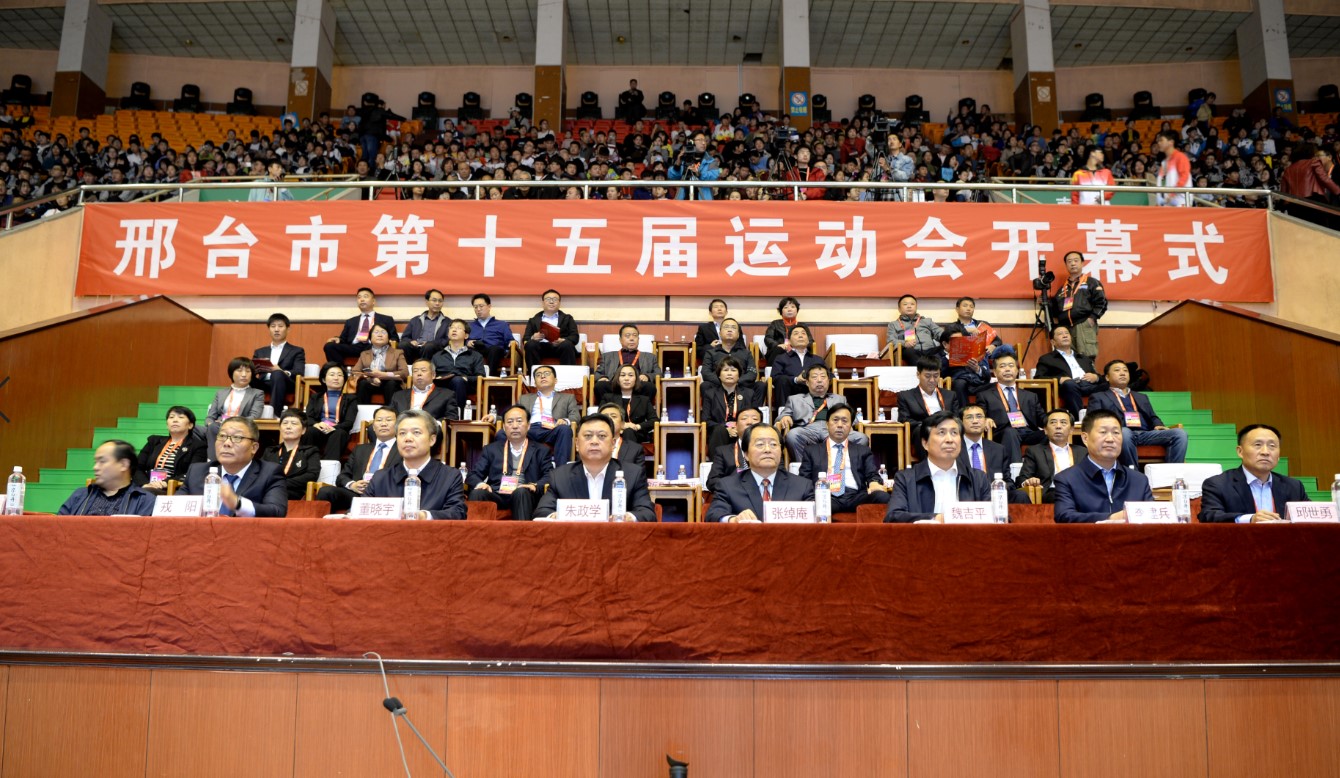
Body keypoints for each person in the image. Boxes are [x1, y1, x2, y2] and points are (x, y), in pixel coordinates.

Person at [535, 414, 657, 522]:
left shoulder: (632, 474)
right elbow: (542, 512)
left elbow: (647, 513)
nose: (594, 441)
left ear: (613, 444)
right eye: (588, 436)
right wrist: (556, 516)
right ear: (577, 444)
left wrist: (628, 517)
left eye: (602, 436)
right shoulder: (560, 476)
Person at [885, 410, 991, 523]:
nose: (949, 440)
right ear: (925, 443)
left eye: (954, 433)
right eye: (941, 433)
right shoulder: (906, 479)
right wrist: (936, 518)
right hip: (923, 534)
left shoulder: (978, 478)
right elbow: (893, 517)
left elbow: (996, 517)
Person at [1053, 409, 1153, 523]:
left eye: (1116, 433)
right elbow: (1065, 516)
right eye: (1103, 432)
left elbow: (1152, 518)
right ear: (1085, 438)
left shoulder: (1139, 480)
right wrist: (1111, 518)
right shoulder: (1067, 479)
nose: (1110, 439)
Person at [364, 409, 467, 520]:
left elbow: (457, 513)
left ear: (432, 440)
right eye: (402, 433)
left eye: (416, 432)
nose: (408, 438)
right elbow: (360, 511)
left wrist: (424, 516)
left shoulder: (450, 476)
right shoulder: (380, 477)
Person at [1200, 424, 1311, 523]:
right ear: (1240, 451)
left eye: (1272, 446)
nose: (1265, 452)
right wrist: (1249, 519)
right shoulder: (1218, 484)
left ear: (1279, 455)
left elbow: (1311, 517)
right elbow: (1209, 516)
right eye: (1258, 445)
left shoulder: (1294, 486)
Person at [1086, 360, 1187, 467]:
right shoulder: (1099, 397)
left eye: (1125, 371)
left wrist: (1158, 425)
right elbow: (1093, 421)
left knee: (1179, 434)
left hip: (1145, 434)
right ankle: (1132, 473)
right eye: (1117, 370)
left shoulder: (1141, 396)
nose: (1122, 373)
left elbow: (1153, 417)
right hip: (1119, 433)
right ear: (1107, 377)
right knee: (1124, 432)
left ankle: (1172, 473)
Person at [705, 424, 814, 523]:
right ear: (746, 454)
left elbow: (816, 519)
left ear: (781, 452)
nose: (767, 450)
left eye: (773, 444)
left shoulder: (802, 486)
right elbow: (713, 515)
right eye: (760, 444)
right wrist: (733, 519)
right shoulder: (728, 486)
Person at [183, 417, 289, 517]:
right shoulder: (196, 472)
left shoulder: (269, 473)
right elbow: (177, 507)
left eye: (237, 437)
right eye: (222, 436)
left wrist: (237, 503)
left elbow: (276, 511)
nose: (227, 443)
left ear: (254, 448)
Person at [797, 403, 891, 514]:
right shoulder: (812, 451)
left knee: (882, 497)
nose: (840, 425)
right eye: (835, 420)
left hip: (856, 496)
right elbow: (804, 479)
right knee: (816, 503)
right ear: (827, 424)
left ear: (850, 426)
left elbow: (872, 474)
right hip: (826, 495)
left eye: (845, 421)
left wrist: (874, 483)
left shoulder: (862, 450)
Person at [467, 404, 554, 521]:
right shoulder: (491, 449)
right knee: (478, 493)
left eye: (519, 421)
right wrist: (480, 484)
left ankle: (523, 533)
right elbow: (473, 475)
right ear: (504, 427)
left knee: (521, 493)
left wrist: (534, 486)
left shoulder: (541, 450)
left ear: (528, 425)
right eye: (510, 422)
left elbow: (549, 475)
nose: (515, 426)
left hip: (525, 493)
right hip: (497, 493)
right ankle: (477, 533)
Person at [315, 406, 401, 513]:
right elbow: (342, 477)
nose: (383, 424)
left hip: (387, 494)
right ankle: (321, 523)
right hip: (358, 494)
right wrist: (353, 485)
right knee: (326, 492)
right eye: (379, 420)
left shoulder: (403, 449)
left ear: (398, 425)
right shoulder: (360, 449)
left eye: (388, 420)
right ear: (373, 427)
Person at [776, 365, 869, 461]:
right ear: (807, 382)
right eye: (814, 377)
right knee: (793, 435)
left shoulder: (839, 399)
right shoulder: (795, 399)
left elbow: (853, 420)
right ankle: (803, 465)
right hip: (807, 430)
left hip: (833, 429)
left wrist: (848, 425)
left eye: (823, 377)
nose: (819, 380)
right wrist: (785, 416)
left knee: (861, 438)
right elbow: (779, 417)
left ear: (828, 381)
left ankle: (843, 465)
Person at [494, 364, 580, 464]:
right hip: (528, 429)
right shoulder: (525, 398)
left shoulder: (567, 398)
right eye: (538, 375)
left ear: (555, 380)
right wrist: (495, 418)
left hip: (553, 429)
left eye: (546, 374)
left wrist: (565, 420)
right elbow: (512, 414)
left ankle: (561, 470)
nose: (542, 376)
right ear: (535, 383)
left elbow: (575, 416)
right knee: (502, 433)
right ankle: (509, 467)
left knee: (565, 429)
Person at [58, 440, 156, 516]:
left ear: (123, 464)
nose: (95, 467)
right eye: (95, 462)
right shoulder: (80, 495)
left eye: (102, 461)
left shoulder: (145, 501)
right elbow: (58, 528)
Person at [977, 353, 1045, 461]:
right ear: (995, 372)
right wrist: (985, 418)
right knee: (1010, 432)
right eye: (1002, 366)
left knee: (1050, 433)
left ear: (1017, 371)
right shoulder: (985, 395)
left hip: (1028, 432)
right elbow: (979, 414)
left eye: (1011, 365)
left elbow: (1042, 418)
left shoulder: (1030, 396)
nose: (1007, 369)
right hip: (1003, 433)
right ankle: (1014, 469)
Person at [941, 297, 1003, 407]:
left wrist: (978, 368)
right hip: (961, 377)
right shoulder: (952, 328)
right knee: (960, 383)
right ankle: (964, 413)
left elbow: (987, 376)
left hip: (983, 357)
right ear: (957, 309)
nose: (968, 308)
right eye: (965, 306)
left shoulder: (982, 324)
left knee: (997, 384)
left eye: (971, 306)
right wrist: (968, 331)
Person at [1033, 323, 1104, 418]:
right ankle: (1079, 419)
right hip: (1069, 386)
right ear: (1053, 342)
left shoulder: (1083, 358)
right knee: (1069, 384)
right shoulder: (1047, 359)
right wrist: (1059, 379)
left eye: (1066, 333)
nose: (1065, 335)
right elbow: (1038, 378)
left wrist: (1096, 377)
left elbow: (1098, 376)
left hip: (1088, 385)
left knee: (1110, 383)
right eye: (1060, 334)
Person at [1017, 409, 1087, 503]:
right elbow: (1022, 478)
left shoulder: (1083, 452)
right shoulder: (1035, 451)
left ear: (1071, 430)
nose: (1058, 426)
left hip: (1080, 492)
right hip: (1052, 493)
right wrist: (1028, 481)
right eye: (1053, 422)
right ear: (1045, 430)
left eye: (1063, 422)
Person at [1049, 252, 1107, 361]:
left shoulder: (1092, 282)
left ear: (1082, 263)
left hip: (1083, 324)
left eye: (1076, 260)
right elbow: (1055, 310)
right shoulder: (1063, 289)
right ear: (1066, 265)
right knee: (1069, 359)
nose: (1073, 264)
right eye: (1069, 261)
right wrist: (1045, 302)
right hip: (1066, 328)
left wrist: (1092, 318)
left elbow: (1102, 302)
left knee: (1086, 358)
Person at [204, 357, 266, 460]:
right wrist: (210, 423)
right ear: (231, 373)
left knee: (215, 429)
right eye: (239, 370)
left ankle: (216, 461)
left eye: (248, 371)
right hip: (219, 427)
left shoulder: (257, 394)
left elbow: (254, 416)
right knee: (200, 429)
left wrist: (231, 423)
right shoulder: (221, 393)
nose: (244, 374)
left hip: (240, 427)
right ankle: (211, 461)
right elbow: (210, 416)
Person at [135, 406, 207, 493]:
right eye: (171, 417)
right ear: (167, 424)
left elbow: (193, 473)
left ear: (190, 425)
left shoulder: (198, 446)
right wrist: (145, 484)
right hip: (147, 487)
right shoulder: (154, 441)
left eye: (181, 417)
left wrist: (165, 483)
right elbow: (137, 467)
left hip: (175, 489)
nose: (175, 420)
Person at [896, 357, 961, 449]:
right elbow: (904, 419)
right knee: (920, 431)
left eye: (936, 376)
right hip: (923, 430)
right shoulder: (906, 396)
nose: (932, 380)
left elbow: (956, 418)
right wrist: (928, 425)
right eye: (927, 376)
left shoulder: (950, 395)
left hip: (947, 430)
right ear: (918, 374)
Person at [324, 288, 399, 363]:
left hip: (374, 346)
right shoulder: (350, 321)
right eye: (359, 297)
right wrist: (338, 339)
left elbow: (394, 338)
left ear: (373, 301)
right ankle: (339, 369)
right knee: (329, 346)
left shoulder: (386, 319)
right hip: (354, 347)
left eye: (365, 296)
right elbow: (343, 339)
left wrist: (384, 341)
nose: (362, 299)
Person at [251, 313, 305, 414]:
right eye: (273, 326)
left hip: (285, 383)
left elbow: (299, 371)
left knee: (277, 374)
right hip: (263, 383)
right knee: (244, 373)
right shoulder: (260, 351)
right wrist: (255, 369)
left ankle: (275, 413)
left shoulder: (296, 351)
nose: (276, 329)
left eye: (280, 326)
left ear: (288, 329)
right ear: (269, 329)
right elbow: (252, 369)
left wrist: (281, 371)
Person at [303, 361, 359, 459]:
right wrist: (317, 424)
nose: (336, 378)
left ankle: (329, 464)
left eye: (340, 375)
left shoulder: (351, 399)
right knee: (309, 431)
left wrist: (334, 427)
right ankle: (307, 461)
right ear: (324, 379)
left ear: (344, 380)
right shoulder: (316, 397)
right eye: (332, 375)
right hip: (320, 427)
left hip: (338, 430)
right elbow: (308, 417)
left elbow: (349, 422)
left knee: (339, 434)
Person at [261, 410, 321, 499]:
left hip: (294, 492)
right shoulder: (270, 451)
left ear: (303, 430)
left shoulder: (310, 451)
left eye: (294, 423)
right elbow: (259, 472)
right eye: (285, 423)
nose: (288, 427)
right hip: (268, 489)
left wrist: (281, 483)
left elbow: (312, 475)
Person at [429, 319, 485, 413]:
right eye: (452, 328)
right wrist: (437, 377)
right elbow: (430, 374)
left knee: (458, 380)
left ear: (466, 335)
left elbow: (480, 376)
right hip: (442, 385)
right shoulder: (438, 355)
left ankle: (457, 416)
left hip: (464, 386)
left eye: (458, 328)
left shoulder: (475, 355)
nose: (454, 330)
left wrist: (466, 378)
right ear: (448, 334)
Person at [706, 406, 764, 490]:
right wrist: (737, 485)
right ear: (736, 425)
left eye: (754, 419)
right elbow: (712, 482)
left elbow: (779, 477)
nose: (749, 422)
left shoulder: (771, 450)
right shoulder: (723, 452)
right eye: (744, 418)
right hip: (733, 495)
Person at [769, 324, 825, 409]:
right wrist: (795, 379)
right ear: (789, 341)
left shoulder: (818, 359)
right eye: (796, 333)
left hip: (812, 391)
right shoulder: (781, 358)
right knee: (782, 379)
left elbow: (830, 376)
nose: (800, 336)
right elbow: (775, 377)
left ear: (808, 340)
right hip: (789, 392)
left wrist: (814, 379)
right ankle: (784, 413)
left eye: (803, 333)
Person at [595, 323, 657, 399]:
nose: (632, 339)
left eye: (635, 336)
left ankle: (638, 405)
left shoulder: (650, 357)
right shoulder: (607, 356)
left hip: (637, 386)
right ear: (620, 340)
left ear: (638, 339)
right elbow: (597, 374)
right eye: (627, 336)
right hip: (614, 385)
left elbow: (658, 373)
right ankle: (612, 404)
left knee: (650, 387)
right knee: (600, 386)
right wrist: (602, 378)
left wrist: (647, 376)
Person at [351, 324, 408, 405]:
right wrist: (371, 379)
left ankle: (391, 411)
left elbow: (404, 373)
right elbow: (355, 372)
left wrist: (384, 375)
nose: (380, 335)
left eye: (383, 332)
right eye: (376, 332)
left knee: (391, 384)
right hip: (371, 382)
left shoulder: (397, 353)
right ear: (370, 338)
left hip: (390, 383)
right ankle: (362, 411)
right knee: (363, 384)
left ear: (388, 338)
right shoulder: (364, 354)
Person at [598, 364, 656, 444]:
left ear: (636, 379)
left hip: (636, 434)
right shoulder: (608, 397)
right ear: (618, 378)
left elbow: (654, 420)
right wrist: (622, 425)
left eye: (630, 375)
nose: (626, 378)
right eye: (623, 375)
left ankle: (627, 451)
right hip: (613, 432)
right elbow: (600, 417)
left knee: (629, 432)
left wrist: (637, 426)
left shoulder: (644, 400)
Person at [522, 289, 580, 368]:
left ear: (559, 303)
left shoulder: (568, 318)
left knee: (567, 344)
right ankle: (534, 373)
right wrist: (533, 337)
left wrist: (562, 340)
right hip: (540, 348)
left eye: (555, 299)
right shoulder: (533, 320)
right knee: (530, 344)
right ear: (543, 303)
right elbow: (525, 339)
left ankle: (567, 374)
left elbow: (574, 337)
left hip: (560, 347)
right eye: (548, 299)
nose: (551, 302)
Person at [699, 318, 758, 395]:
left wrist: (736, 381)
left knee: (760, 385)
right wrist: (724, 381)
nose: (729, 330)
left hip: (741, 387)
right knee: (705, 385)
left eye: (733, 328)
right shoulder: (711, 353)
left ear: (738, 335)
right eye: (726, 327)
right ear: (720, 333)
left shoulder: (746, 353)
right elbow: (706, 372)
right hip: (718, 387)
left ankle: (750, 404)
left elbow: (752, 373)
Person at [956, 404, 1014, 480]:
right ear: (961, 422)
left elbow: (1007, 481)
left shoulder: (999, 450)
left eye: (979, 416)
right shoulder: (953, 448)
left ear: (985, 420)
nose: (975, 421)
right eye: (969, 417)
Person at [886, 294, 945, 368]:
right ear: (899, 309)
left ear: (916, 307)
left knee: (944, 348)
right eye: (905, 304)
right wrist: (904, 343)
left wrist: (948, 339)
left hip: (929, 350)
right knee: (909, 351)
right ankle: (921, 371)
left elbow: (940, 333)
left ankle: (940, 373)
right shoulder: (893, 324)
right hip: (911, 351)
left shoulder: (927, 321)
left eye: (912, 304)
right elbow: (891, 341)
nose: (909, 306)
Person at [392, 359, 456, 420]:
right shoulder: (398, 396)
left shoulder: (447, 395)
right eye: (415, 371)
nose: (419, 374)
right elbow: (389, 415)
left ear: (433, 375)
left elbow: (452, 417)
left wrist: (435, 423)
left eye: (423, 370)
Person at [467, 293, 514, 376]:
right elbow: (462, 340)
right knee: (469, 351)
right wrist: (467, 342)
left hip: (494, 350)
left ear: (489, 307)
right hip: (476, 349)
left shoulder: (502, 324)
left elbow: (510, 340)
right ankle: (473, 378)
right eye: (475, 307)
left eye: (481, 306)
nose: (478, 309)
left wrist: (513, 342)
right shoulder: (470, 326)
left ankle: (490, 377)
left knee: (494, 349)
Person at [667, 131, 721, 201]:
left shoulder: (711, 160)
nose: (703, 143)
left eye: (705, 140)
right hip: (684, 200)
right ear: (692, 142)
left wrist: (699, 174)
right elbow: (671, 176)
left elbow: (714, 176)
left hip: (703, 201)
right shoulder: (684, 158)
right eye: (700, 140)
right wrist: (677, 165)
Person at [399, 288, 448, 364]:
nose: (437, 303)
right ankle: (409, 368)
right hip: (416, 347)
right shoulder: (415, 320)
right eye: (434, 300)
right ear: (427, 302)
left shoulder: (447, 322)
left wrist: (432, 343)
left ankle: (425, 368)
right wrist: (411, 341)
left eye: (440, 301)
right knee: (403, 344)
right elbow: (405, 337)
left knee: (429, 346)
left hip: (434, 349)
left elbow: (447, 340)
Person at [596, 403, 648, 471]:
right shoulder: (588, 446)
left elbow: (638, 476)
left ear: (622, 424)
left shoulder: (635, 449)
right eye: (605, 417)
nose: (609, 419)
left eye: (613, 416)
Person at [763, 297, 808, 365]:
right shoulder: (775, 323)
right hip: (778, 351)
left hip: (797, 350)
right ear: (781, 311)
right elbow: (768, 338)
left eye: (792, 307)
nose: (789, 309)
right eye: (786, 307)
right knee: (779, 350)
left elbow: (810, 341)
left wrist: (796, 345)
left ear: (797, 310)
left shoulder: (803, 325)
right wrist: (778, 345)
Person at [1154, 129, 1192, 207]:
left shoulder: (1180, 157)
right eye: (1158, 141)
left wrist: (1172, 194)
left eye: (1161, 140)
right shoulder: (1164, 162)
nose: (1158, 143)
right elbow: (1160, 181)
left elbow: (1184, 176)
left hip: (1182, 201)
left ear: (1171, 142)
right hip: (1169, 201)